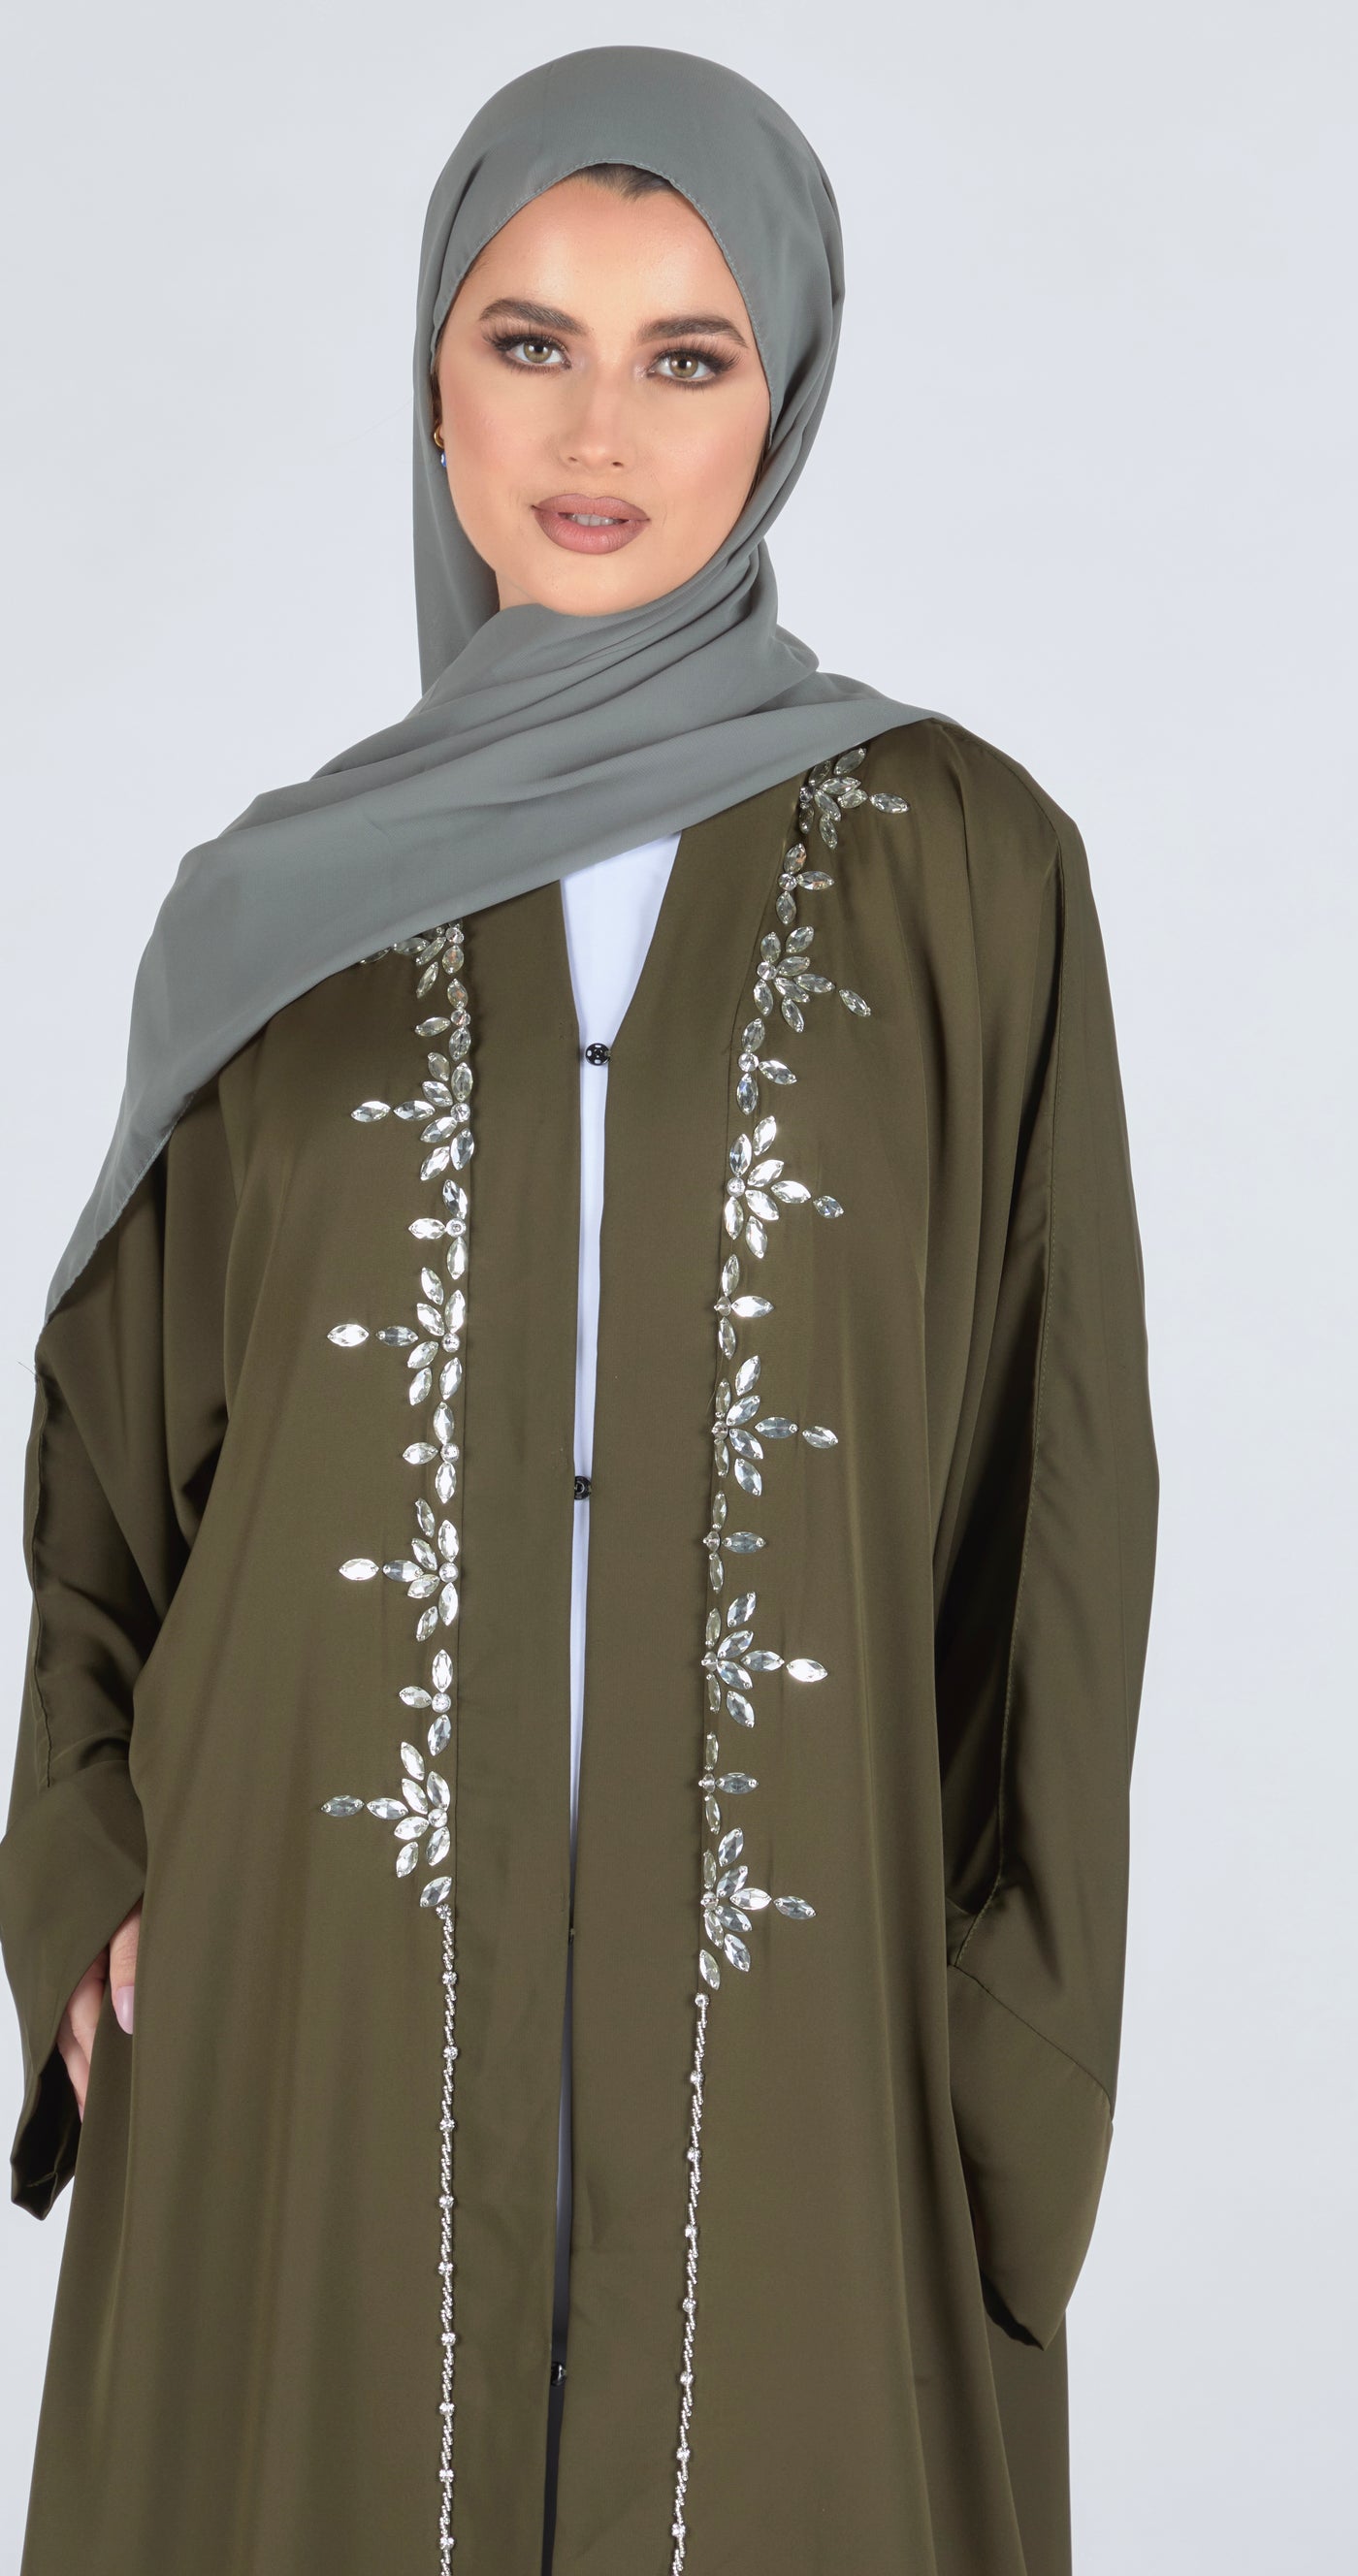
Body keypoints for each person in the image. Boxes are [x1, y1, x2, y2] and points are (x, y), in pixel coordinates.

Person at [0, 44, 1158, 2576]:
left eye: (684, 352)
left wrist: (1017, 2041)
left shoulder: (971, 869)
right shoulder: (261, 920)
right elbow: (105, 1493)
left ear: (785, 397)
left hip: (796, 2027)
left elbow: (1061, 1505)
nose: (597, 429)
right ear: (434, 382)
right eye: (528, 340)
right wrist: (82, 1867)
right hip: (304, 2021)